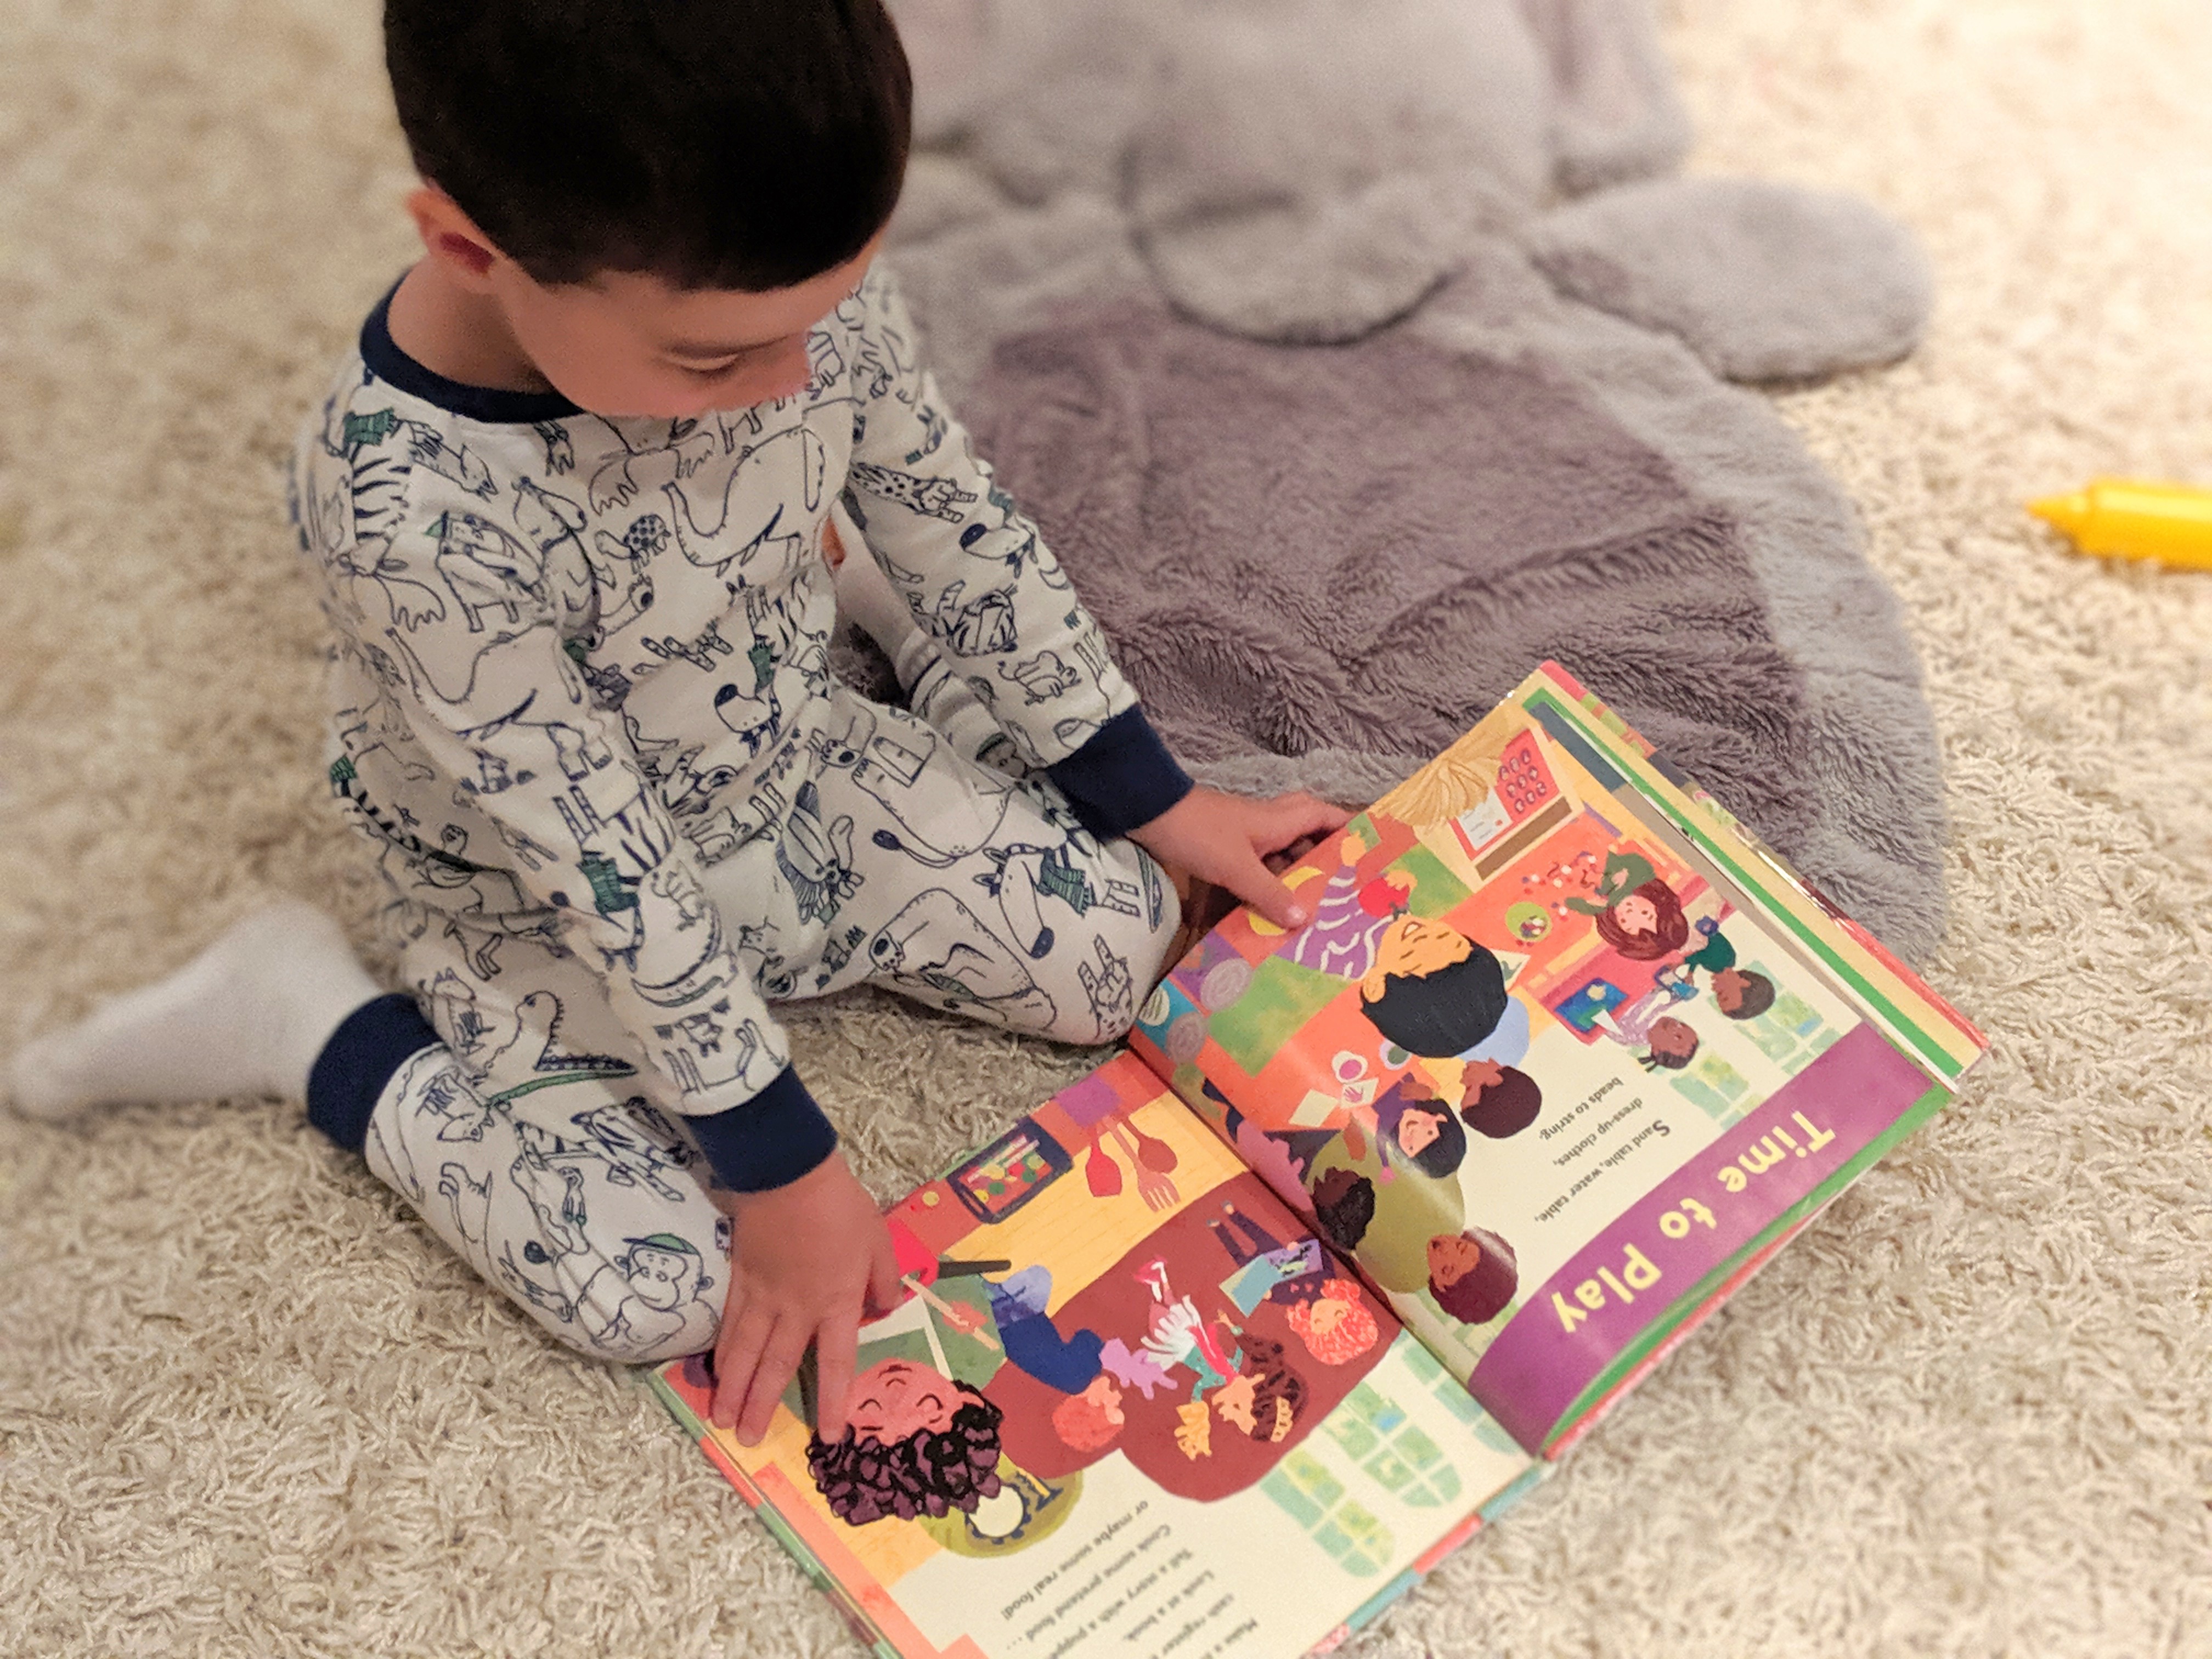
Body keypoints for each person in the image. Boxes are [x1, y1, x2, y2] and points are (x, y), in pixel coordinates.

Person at [4, 0, 1344, 1453]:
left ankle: (884, 628)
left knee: (1125, 948)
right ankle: (306, 1021)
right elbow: (602, 862)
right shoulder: (404, 514)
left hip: (787, 761)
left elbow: (953, 513)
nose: (794, 384)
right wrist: (780, 1161)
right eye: (715, 363)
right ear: (469, 249)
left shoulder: (779, 283)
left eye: (823, 315)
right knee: (655, 1292)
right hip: (532, 906)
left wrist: (1158, 796)